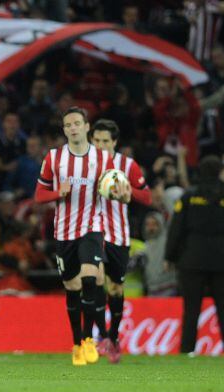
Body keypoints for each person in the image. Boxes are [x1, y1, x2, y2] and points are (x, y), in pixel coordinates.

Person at [34, 107, 126, 366]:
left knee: (90, 278)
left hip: (91, 227)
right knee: (72, 288)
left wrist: (117, 192)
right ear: (64, 130)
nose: (73, 128)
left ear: (87, 127)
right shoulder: (53, 158)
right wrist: (57, 193)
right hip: (64, 232)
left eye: (77, 123)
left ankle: (88, 339)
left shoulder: (102, 158)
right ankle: (76, 343)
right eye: (68, 125)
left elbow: (111, 191)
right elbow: (39, 195)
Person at [89, 119, 152, 363]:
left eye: (105, 141)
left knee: (115, 289)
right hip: (92, 232)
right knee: (95, 277)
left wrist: (129, 192)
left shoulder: (127, 165)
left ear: (114, 142)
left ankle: (113, 338)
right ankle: (102, 335)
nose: (100, 145)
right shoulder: (82, 165)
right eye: (96, 140)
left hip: (119, 235)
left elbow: (146, 197)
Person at [166, 155, 224, 355]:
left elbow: (176, 229)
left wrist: (169, 257)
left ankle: (187, 350)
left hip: (192, 258)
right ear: (221, 170)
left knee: (191, 307)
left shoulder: (189, 195)